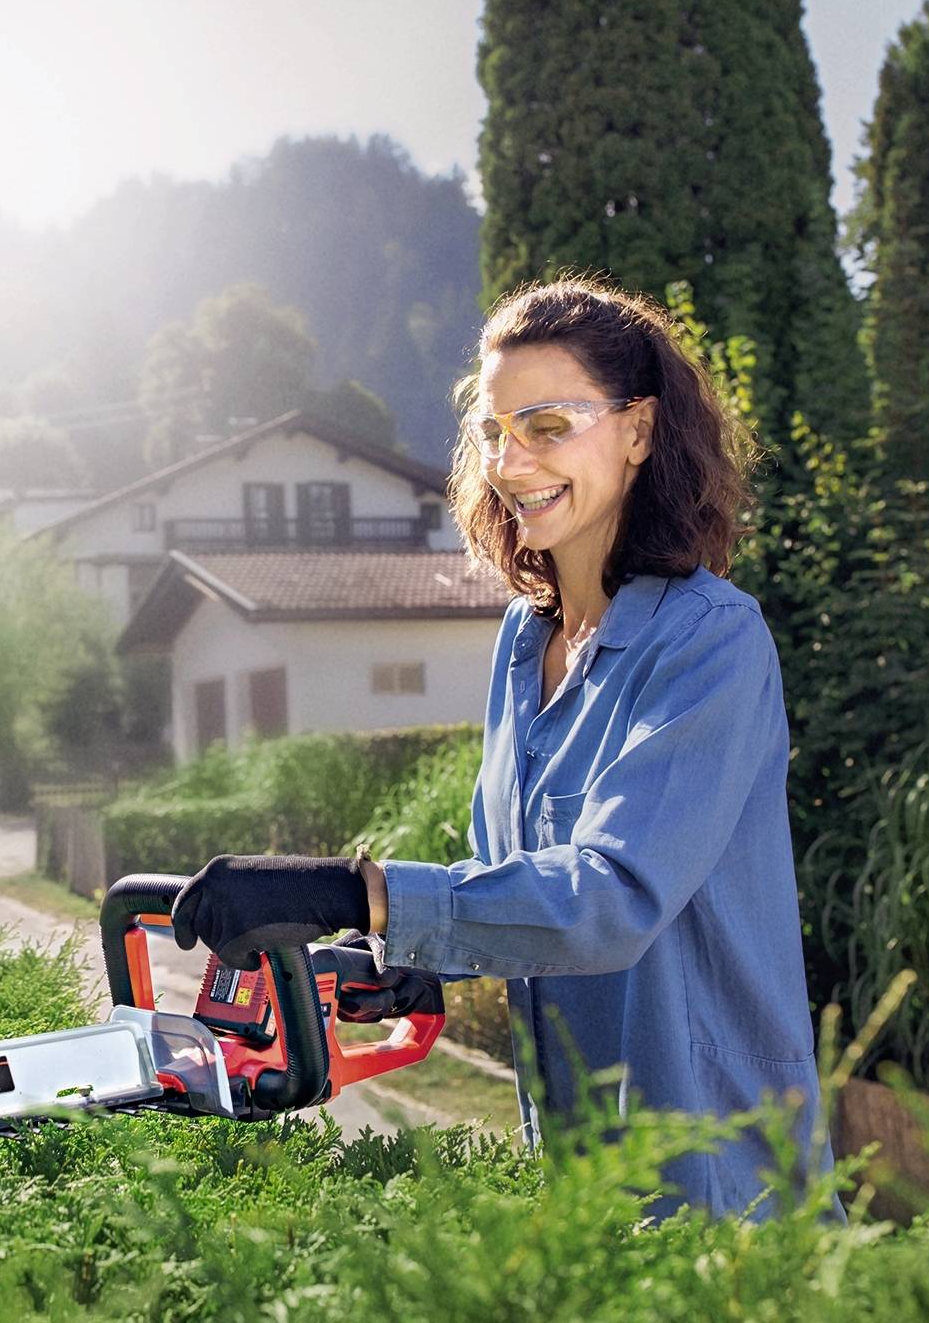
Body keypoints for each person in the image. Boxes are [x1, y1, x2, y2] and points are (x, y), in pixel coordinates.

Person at [170, 275, 840, 1222]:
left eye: (550, 425)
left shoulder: (711, 642)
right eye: (495, 431)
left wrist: (344, 888)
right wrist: (416, 959)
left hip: (722, 1185)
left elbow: (605, 898)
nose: (511, 461)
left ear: (640, 431)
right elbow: (519, 880)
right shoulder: (526, 643)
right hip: (575, 1183)